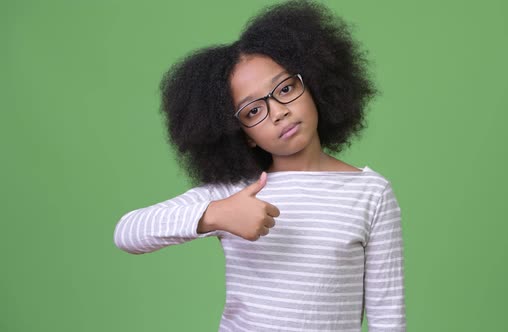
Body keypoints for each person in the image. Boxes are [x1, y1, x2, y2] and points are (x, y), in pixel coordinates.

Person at [113, 1, 406, 331]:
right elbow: (128, 232)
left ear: (313, 86)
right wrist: (216, 214)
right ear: (245, 135)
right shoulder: (235, 192)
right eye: (253, 111)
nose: (278, 111)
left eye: (285, 89)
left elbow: (388, 316)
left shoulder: (371, 193)